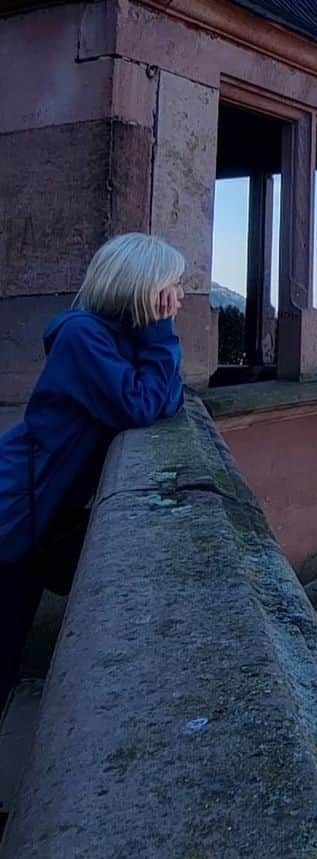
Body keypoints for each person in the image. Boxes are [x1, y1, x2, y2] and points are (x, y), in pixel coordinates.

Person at [0, 233, 186, 710]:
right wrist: (160, 334)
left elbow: (169, 398)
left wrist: (154, 338)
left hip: (34, 508)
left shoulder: (117, 340)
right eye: (172, 288)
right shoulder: (83, 337)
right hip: (14, 505)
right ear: (143, 290)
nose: (180, 299)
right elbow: (142, 404)